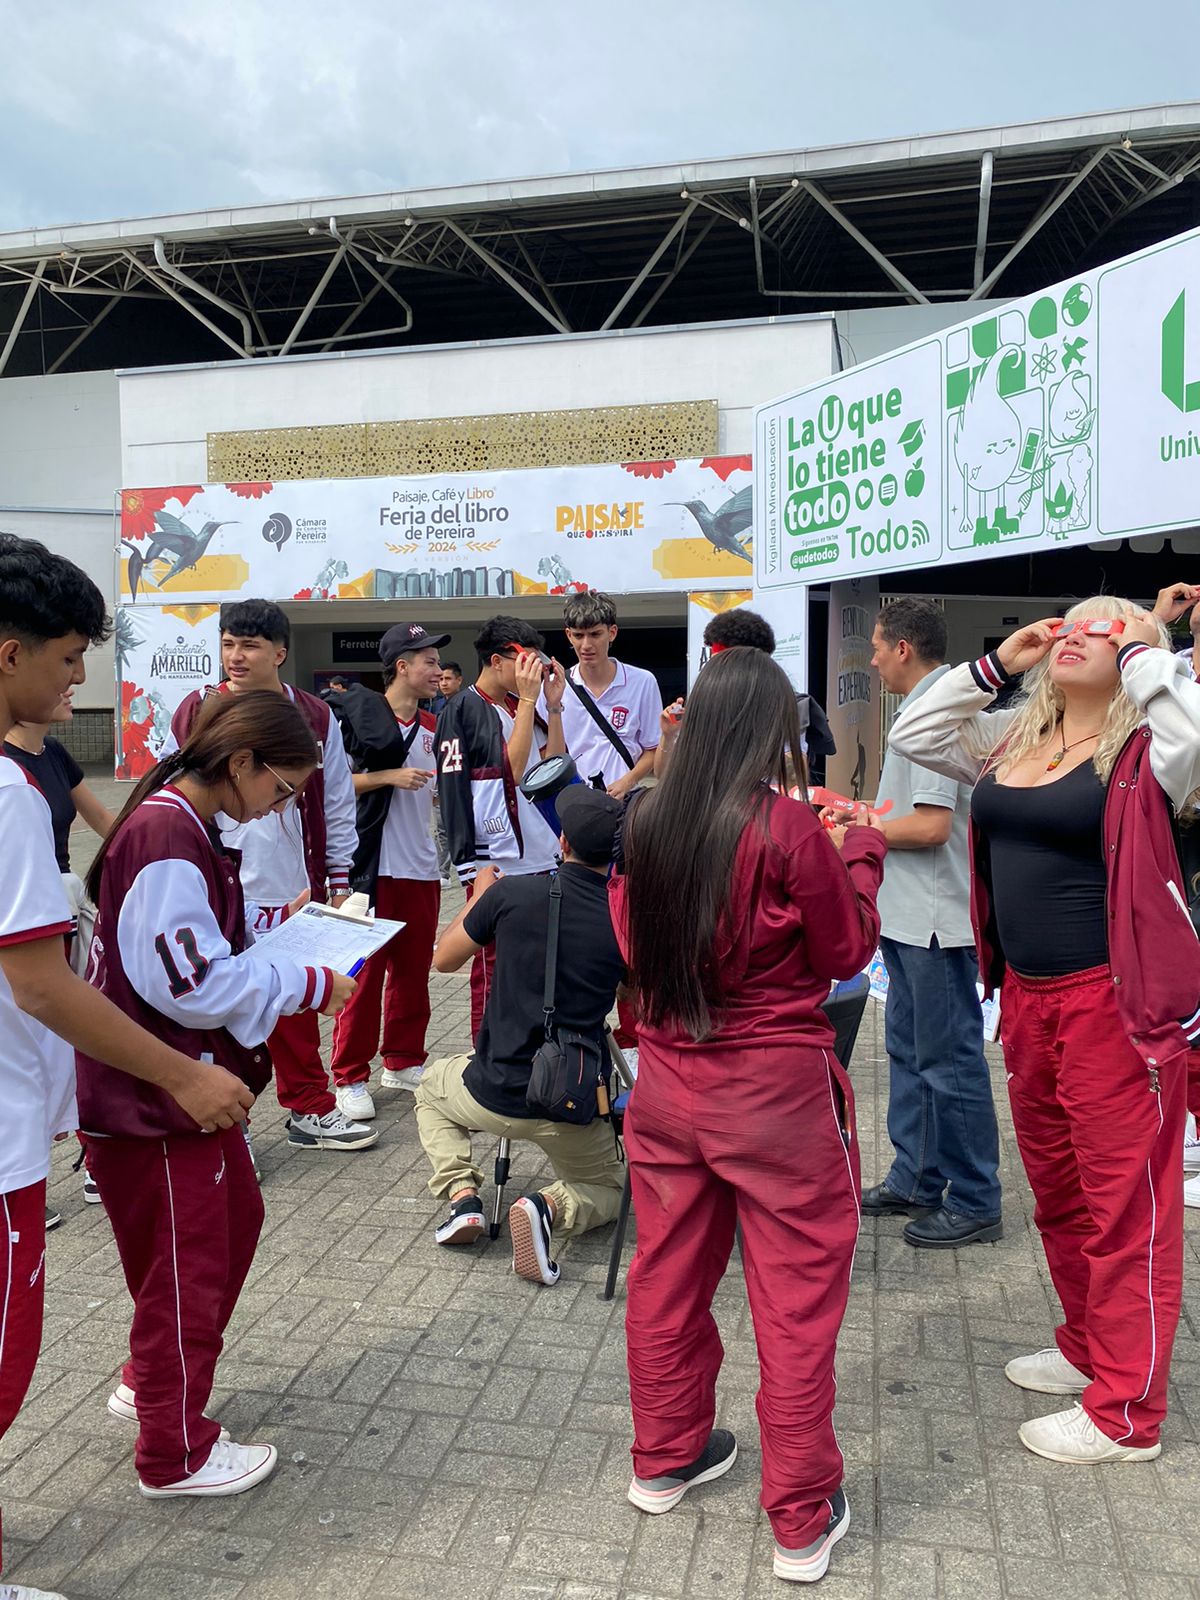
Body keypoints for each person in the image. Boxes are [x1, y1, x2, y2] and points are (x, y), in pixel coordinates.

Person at [0, 535, 260, 1591]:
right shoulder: (17, 792)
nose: (80, 678)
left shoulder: (45, 780)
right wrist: (183, 1074)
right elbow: (46, 983)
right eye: (66, 658)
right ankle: (174, 1438)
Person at [888, 597, 1200, 1464]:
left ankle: (1128, 1413)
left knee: (1124, 1207)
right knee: (1060, 1194)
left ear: (1140, 649)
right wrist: (999, 665)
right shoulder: (1017, 741)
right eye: (1067, 622)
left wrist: (1142, 657)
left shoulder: (1150, 750)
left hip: (1115, 1006)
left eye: (1102, 625)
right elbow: (915, 732)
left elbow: (1198, 735)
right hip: (1026, 998)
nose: (1075, 634)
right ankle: (1090, 1348)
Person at [611, 647, 886, 1587]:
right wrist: (861, 852)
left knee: (666, 1273)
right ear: (774, 729)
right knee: (797, 1304)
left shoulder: (646, 821)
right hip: (772, 1095)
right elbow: (846, 950)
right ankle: (800, 1516)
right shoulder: (784, 826)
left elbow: (630, 948)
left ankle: (664, 1455)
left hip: (668, 1085)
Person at [77, 690, 356, 1497]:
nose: (280, 809)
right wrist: (309, 978)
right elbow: (191, 981)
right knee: (186, 1267)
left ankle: (150, 1379)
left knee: (226, 1232)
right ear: (242, 763)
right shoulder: (169, 829)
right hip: (159, 1098)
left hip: (173, 1089)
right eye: (281, 790)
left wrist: (282, 936)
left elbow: (190, 952)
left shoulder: (182, 822)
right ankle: (174, 1450)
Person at [166, 600, 369, 1154]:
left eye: (250, 645)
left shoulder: (315, 715)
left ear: (280, 652)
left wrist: (338, 874)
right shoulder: (197, 708)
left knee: (292, 998)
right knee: (219, 1003)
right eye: (229, 643)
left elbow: (337, 799)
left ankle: (308, 1108)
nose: (236, 655)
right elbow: (167, 784)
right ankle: (236, 1125)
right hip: (213, 878)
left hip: (289, 879)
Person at [415, 785, 627, 1284]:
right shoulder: (623, 919)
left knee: (429, 1089)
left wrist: (482, 896)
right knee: (613, 1187)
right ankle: (548, 1208)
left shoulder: (513, 893)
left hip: (487, 1089)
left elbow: (443, 959)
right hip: (568, 1102)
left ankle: (463, 1196)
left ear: (562, 842)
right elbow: (637, 999)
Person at [842, 599, 1002, 1247]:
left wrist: (856, 829)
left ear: (903, 648)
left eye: (879, 647)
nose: (874, 658)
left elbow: (932, 825)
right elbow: (903, 811)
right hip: (911, 919)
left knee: (948, 1060)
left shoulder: (939, 709)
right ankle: (917, 1175)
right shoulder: (923, 707)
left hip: (935, 920)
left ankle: (976, 1197)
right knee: (909, 1053)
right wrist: (859, 816)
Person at [327, 622, 449, 1115]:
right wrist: (387, 777)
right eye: (430, 661)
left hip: (421, 869)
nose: (438, 671)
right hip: (369, 870)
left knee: (413, 972)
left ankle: (402, 1060)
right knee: (362, 976)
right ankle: (349, 1076)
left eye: (439, 663)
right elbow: (329, 788)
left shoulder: (438, 728)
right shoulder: (353, 720)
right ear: (402, 666)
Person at [6, 690, 117, 1211]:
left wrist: (161, 838)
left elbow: (103, 820)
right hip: (19, 919)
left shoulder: (53, 754)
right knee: (29, 1044)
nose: (73, 680)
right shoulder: (7, 773)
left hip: (60, 909)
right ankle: (22, 1179)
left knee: (72, 1039)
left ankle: (94, 1159)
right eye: (63, 662)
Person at [436, 616, 567, 1038]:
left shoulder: (517, 705)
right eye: (526, 662)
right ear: (497, 660)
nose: (533, 672)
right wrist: (529, 702)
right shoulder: (466, 707)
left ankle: (530, 1052)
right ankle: (485, 1055)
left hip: (539, 852)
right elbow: (506, 772)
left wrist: (551, 704)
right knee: (493, 968)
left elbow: (552, 765)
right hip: (499, 860)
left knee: (537, 964)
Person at [654, 607, 835, 779]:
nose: (715, 672)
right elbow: (663, 776)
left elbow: (795, 776)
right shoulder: (702, 705)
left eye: (723, 665)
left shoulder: (787, 706)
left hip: (765, 808)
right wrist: (668, 736)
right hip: (709, 809)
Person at [543, 592, 661, 799]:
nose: (586, 645)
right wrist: (554, 707)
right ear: (568, 635)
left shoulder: (642, 682)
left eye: (595, 634)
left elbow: (653, 749)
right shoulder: (553, 687)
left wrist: (627, 781)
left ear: (612, 632)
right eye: (579, 635)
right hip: (575, 803)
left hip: (626, 802)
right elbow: (549, 759)